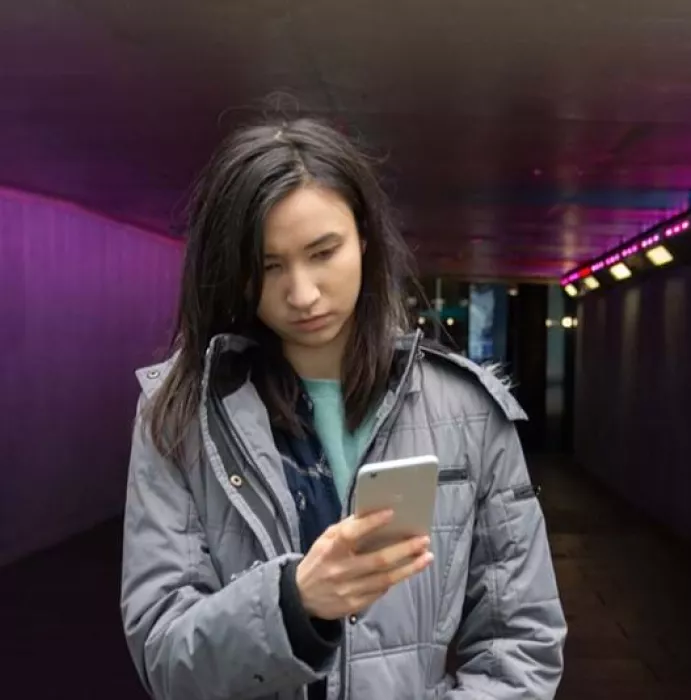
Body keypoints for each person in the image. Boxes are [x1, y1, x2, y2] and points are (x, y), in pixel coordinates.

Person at [120, 117, 566, 700]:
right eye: (269, 265)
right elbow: (165, 657)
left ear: (364, 237)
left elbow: (523, 641)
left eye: (322, 252)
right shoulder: (178, 414)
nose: (302, 294)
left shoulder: (467, 410)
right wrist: (295, 603)